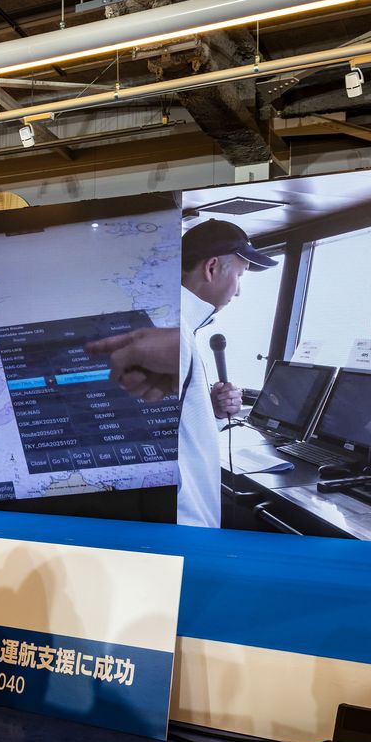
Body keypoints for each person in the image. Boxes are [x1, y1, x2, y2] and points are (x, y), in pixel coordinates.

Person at [88, 219, 274, 528]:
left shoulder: (172, 325)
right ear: (212, 268)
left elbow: (170, 430)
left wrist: (210, 412)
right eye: (240, 276)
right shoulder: (173, 334)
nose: (239, 291)